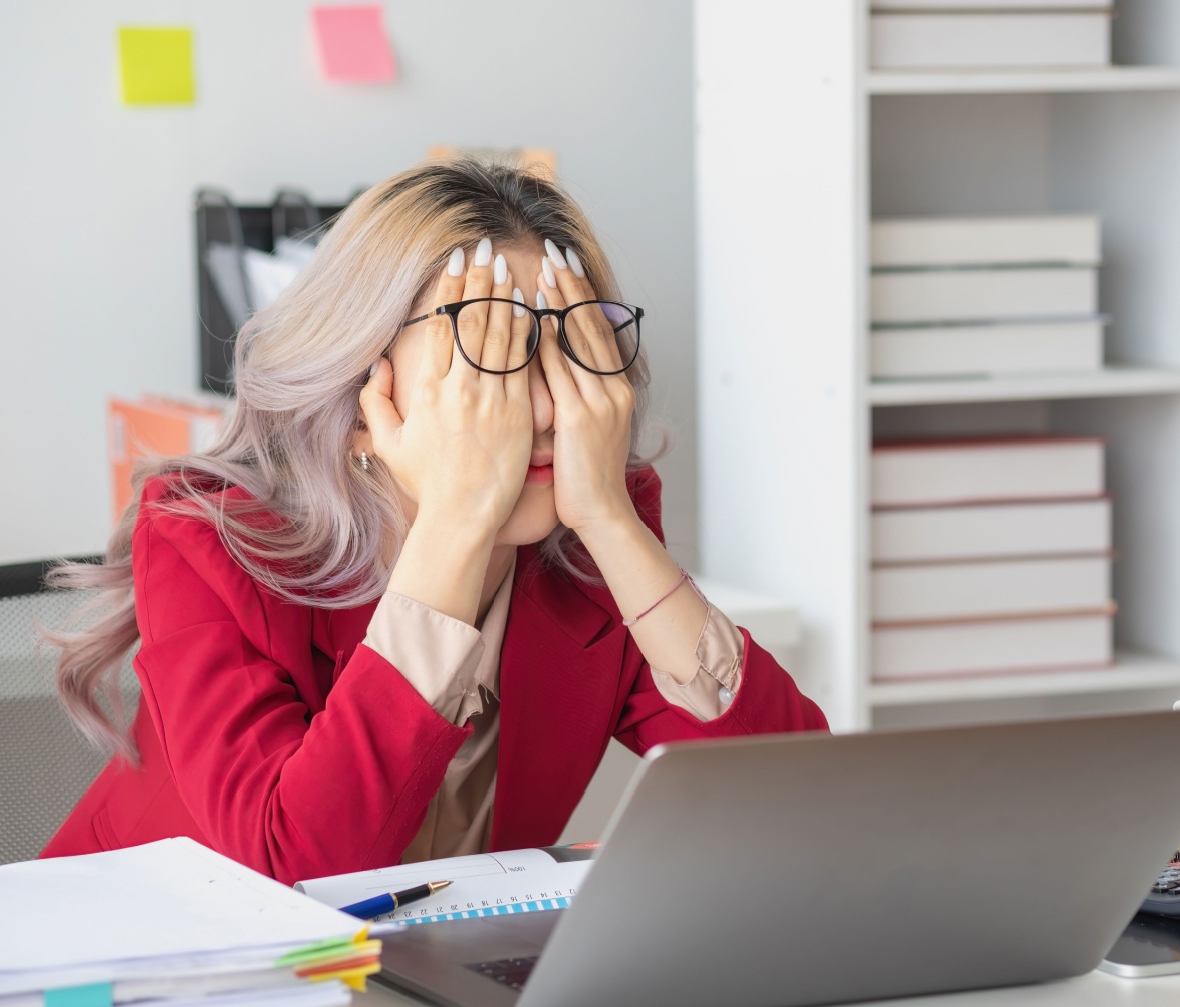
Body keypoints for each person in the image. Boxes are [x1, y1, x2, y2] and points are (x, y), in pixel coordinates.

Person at [40, 158, 828, 884]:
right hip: (155, 965)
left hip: (418, 968)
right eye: (491, 351)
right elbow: (294, 872)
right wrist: (455, 524)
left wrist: (613, 525)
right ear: (361, 401)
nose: (549, 409)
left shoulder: (590, 541)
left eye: (571, 348)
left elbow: (794, 804)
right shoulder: (204, 540)